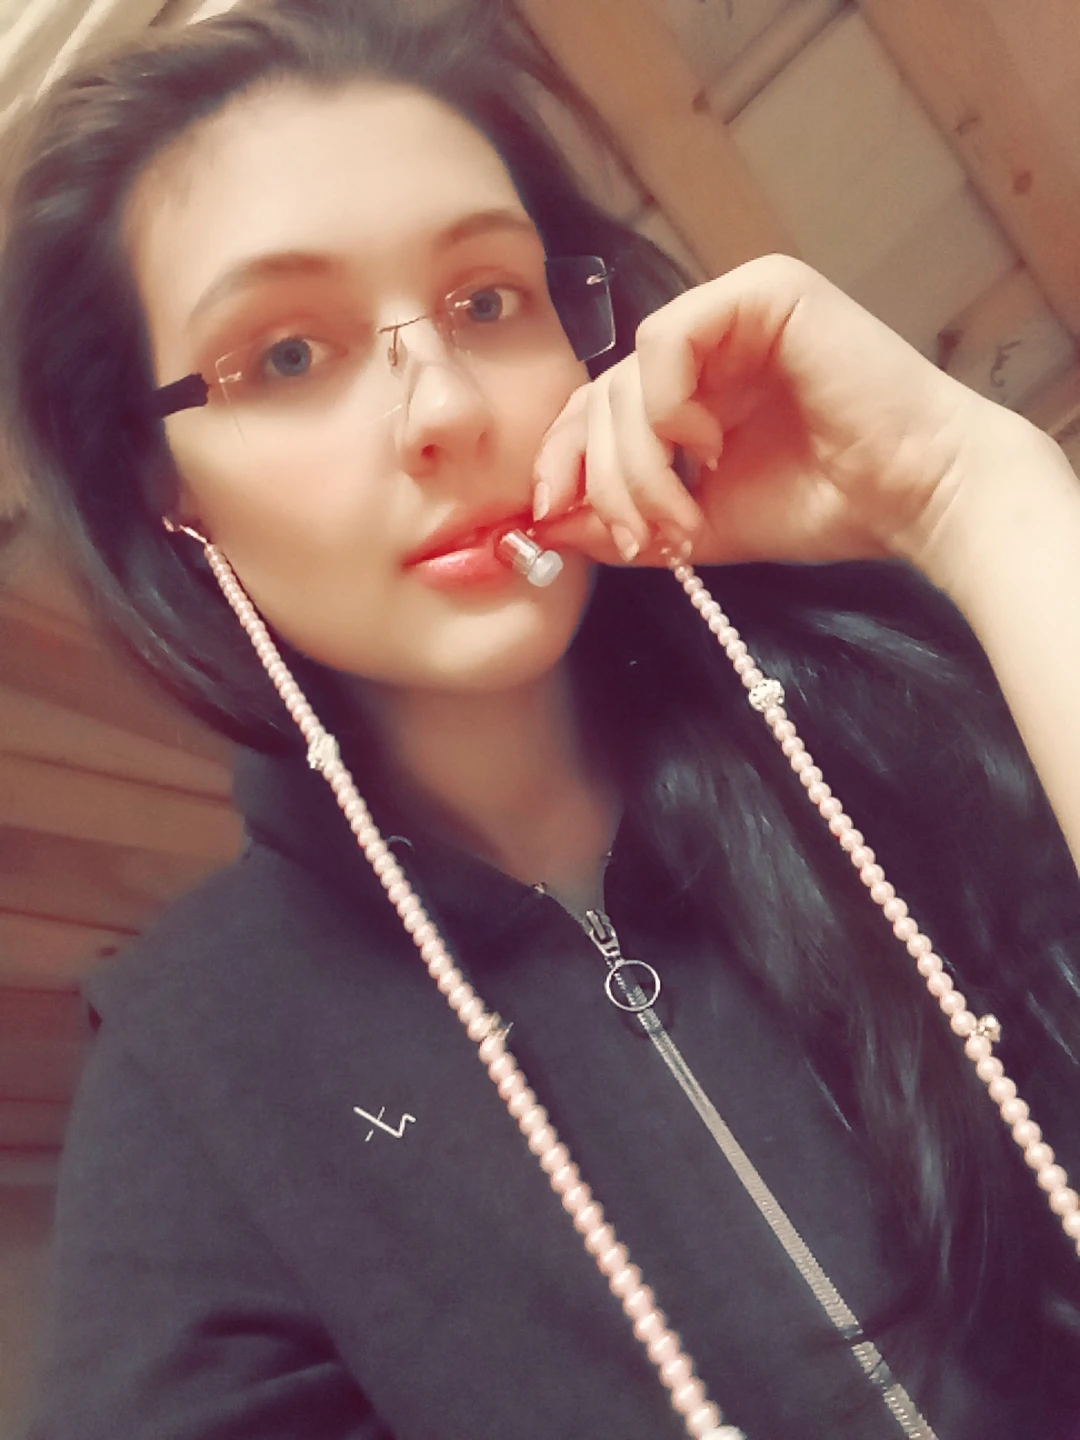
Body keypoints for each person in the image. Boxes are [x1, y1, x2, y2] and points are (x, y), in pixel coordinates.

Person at [2, 1, 1079, 1436]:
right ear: (163, 484)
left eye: (487, 302)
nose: (444, 407)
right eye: (289, 355)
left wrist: (973, 495)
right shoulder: (194, 1075)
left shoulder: (905, 698)